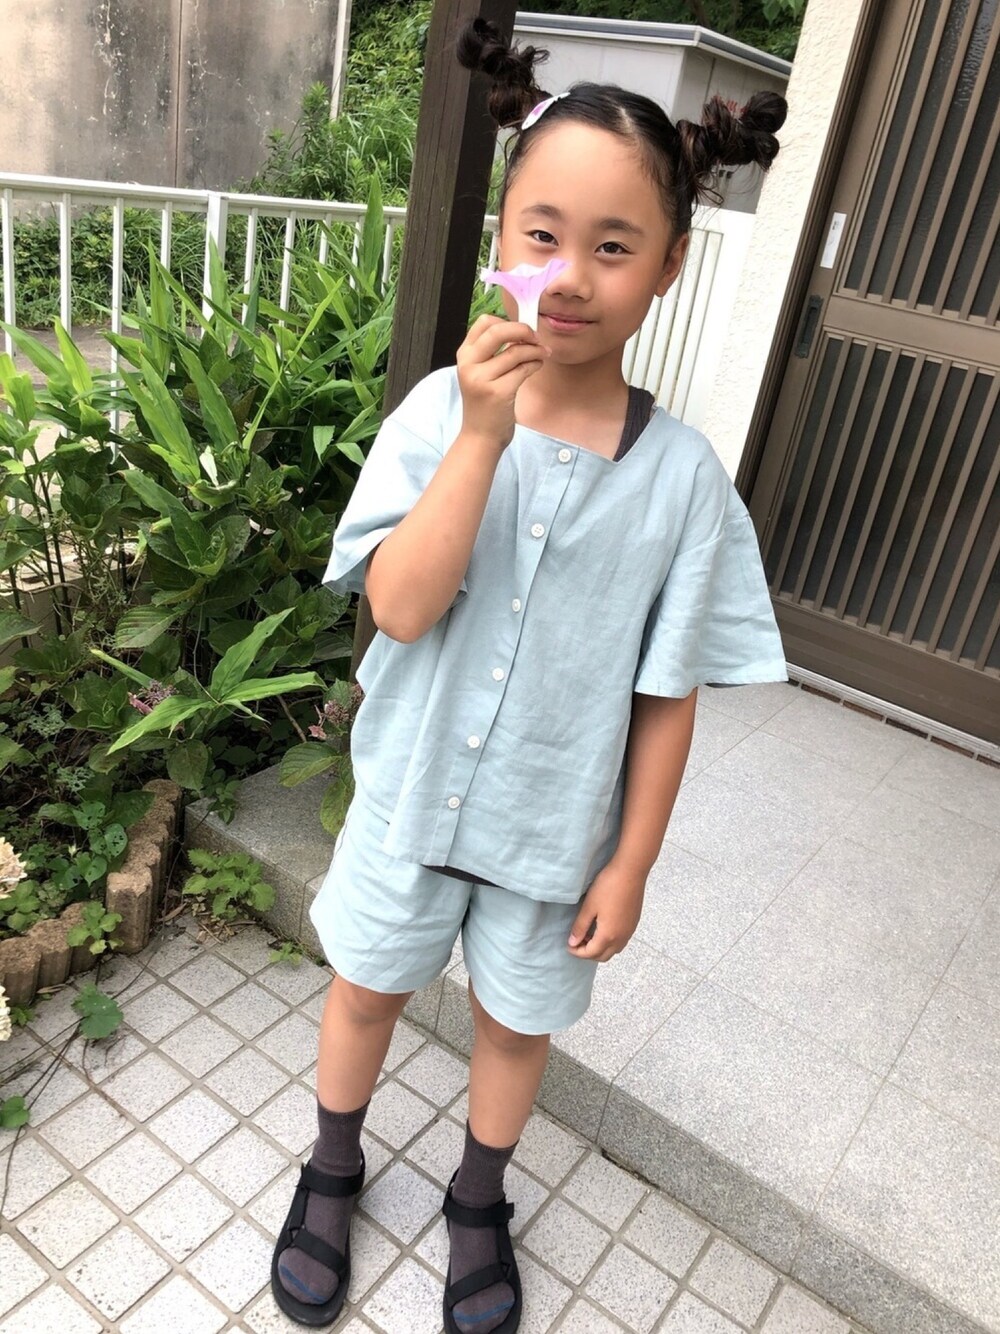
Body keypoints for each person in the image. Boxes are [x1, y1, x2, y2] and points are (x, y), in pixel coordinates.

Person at [271, 17, 788, 1333]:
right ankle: (331, 1167)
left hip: (555, 832)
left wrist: (632, 863)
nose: (569, 275)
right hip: (409, 794)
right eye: (542, 234)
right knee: (365, 989)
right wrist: (480, 441)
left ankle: (479, 1197)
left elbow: (667, 692)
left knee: (515, 1025)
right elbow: (398, 607)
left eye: (614, 246)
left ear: (669, 265)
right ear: (502, 239)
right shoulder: (439, 414)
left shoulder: (685, 484)